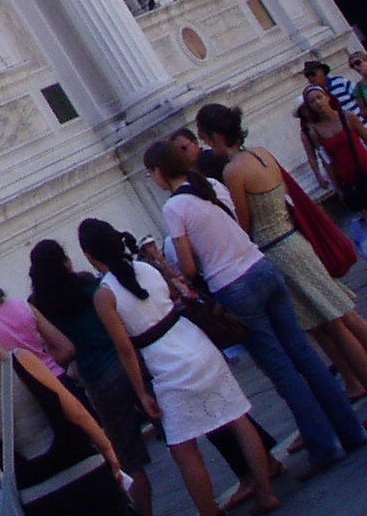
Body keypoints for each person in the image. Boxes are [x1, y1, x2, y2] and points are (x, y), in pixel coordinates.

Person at [148, 130, 366, 472]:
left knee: (281, 368)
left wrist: (169, 269)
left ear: (159, 171)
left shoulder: (175, 207)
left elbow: (189, 267)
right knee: (304, 355)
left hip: (233, 285)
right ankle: (350, 430)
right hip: (261, 267)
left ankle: (324, 446)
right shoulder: (211, 187)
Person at [78, 218, 276, 516]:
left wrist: (142, 393)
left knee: (183, 447)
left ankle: (209, 510)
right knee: (237, 417)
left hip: (163, 360)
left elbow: (126, 350)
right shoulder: (148, 268)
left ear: (90, 255)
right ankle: (266, 492)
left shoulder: (104, 296)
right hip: (192, 339)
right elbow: (171, 298)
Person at [200, 99, 367, 397]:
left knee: (334, 323)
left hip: (277, 249)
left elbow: (245, 222)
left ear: (214, 136)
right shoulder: (261, 154)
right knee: (338, 315)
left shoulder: (233, 171)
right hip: (293, 239)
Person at [0, 282, 124, 515]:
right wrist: (108, 450)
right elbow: (76, 412)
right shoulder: (19, 361)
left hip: (34, 495)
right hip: (82, 470)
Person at [27, 239, 152, 516]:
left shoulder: (40, 305)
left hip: (97, 378)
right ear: (65, 261)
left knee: (129, 459)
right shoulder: (86, 283)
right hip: (127, 361)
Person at [0, 256, 75, 376]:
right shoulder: (22, 305)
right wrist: (48, 365)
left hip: (25, 391)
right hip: (56, 376)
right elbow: (66, 348)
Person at [298, 80, 367, 209]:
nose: (318, 103)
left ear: (327, 97)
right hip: (348, 180)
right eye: (312, 101)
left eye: (319, 97)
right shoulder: (315, 132)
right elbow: (326, 161)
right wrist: (337, 188)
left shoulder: (348, 117)